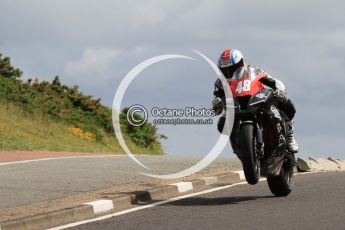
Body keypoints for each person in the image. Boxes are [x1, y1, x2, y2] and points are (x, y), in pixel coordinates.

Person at [212, 49, 299, 153]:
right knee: (221, 124)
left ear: (240, 64)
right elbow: (217, 102)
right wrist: (217, 104)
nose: (229, 72)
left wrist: (280, 90)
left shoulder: (253, 70)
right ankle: (240, 145)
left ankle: (289, 137)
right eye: (225, 70)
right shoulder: (220, 82)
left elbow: (272, 81)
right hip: (235, 106)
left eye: (232, 69)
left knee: (286, 105)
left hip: (257, 99)